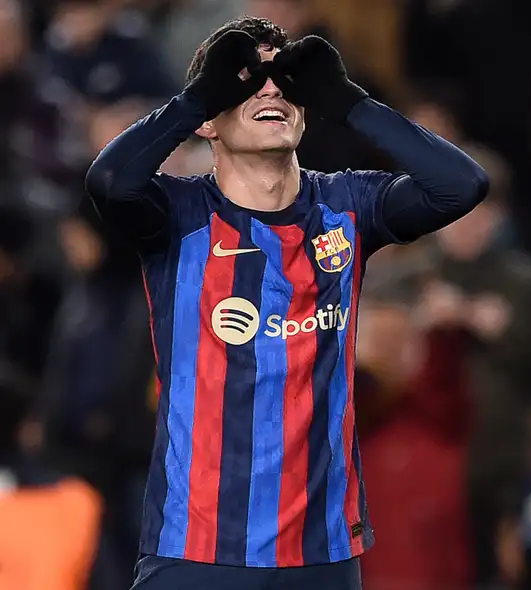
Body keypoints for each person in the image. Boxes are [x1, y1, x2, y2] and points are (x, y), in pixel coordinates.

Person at [85, 16, 488, 590]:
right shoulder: (177, 215)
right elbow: (109, 182)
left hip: (322, 555)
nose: (272, 89)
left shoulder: (350, 204)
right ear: (210, 120)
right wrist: (194, 99)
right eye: (246, 80)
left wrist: (350, 102)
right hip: (199, 552)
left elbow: (461, 185)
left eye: (286, 80)